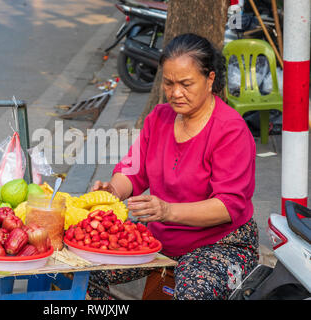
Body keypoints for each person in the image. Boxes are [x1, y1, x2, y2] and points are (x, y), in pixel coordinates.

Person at [88, 33, 259, 300]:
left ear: (210, 79)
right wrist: (111, 191)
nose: (175, 93)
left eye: (186, 84)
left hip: (220, 243)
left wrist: (166, 210)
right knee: (84, 270)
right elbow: (133, 171)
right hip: (159, 238)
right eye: (168, 83)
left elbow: (227, 206)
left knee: (192, 293)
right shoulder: (159, 118)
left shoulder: (230, 130)